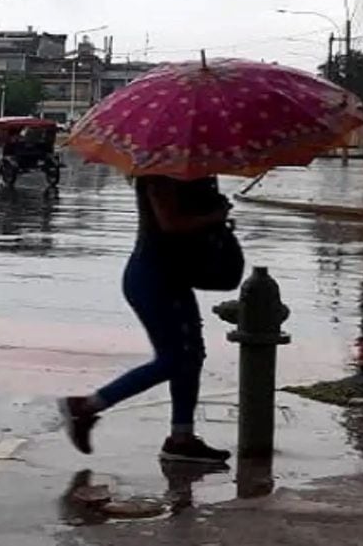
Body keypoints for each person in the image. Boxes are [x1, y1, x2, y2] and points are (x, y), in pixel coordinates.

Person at [59, 174, 233, 464]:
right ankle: (85, 406)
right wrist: (215, 215)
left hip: (173, 276)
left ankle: (182, 437)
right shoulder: (160, 172)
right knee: (174, 359)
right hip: (155, 278)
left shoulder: (187, 168)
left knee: (190, 356)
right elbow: (170, 222)